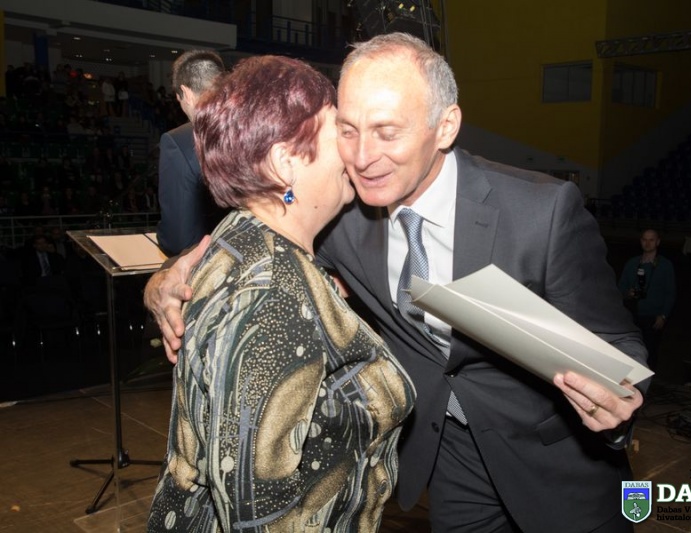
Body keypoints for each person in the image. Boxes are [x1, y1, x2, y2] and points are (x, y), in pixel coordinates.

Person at [146, 33, 647, 532]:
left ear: (445, 126)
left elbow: (617, 342)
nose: (363, 157)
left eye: (387, 132)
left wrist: (617, 403)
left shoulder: (541, 213)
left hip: (556, 463)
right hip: (449, 461)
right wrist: (162, 282)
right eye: (347, 130)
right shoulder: (341, 214)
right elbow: (249, 236)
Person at [146, 55, 415, 532]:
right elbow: (259, 512)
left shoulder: (239, 234)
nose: (353, 152)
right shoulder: (272, 298)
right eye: (338, 132)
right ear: (284, 161)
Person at [155, 50, 226, 256]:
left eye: (178, 99)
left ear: (185, 93)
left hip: (209, 261)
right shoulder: (255, 127)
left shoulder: (180, 141)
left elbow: (179, 240)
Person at [618, 228, 676, 370]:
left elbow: (670, 293)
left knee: (650, 350)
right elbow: (620, 288)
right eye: (644, 239)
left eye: (651, 240)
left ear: (658, 242)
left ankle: (649, 377)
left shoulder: (665, 265)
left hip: (653, 316)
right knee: (631, 349)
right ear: (640, 241)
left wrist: (663, 315)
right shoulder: (632, 263)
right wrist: (628, 293)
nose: (647, 243)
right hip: (632, 315)